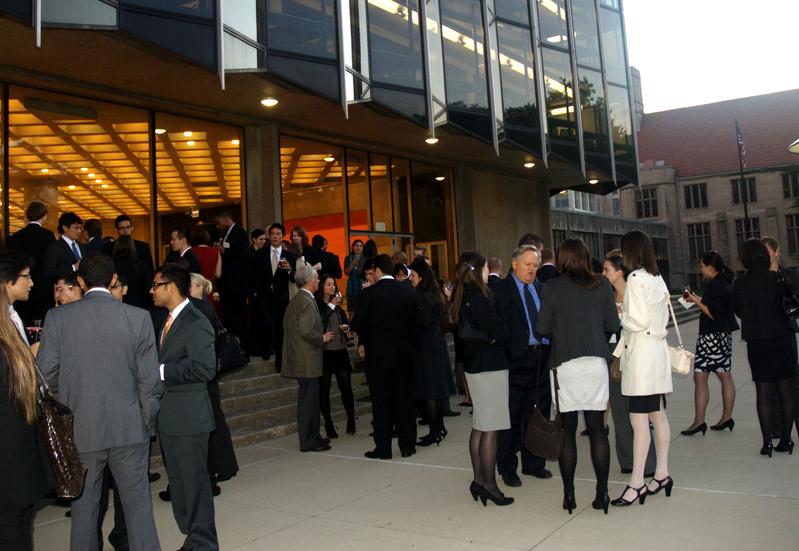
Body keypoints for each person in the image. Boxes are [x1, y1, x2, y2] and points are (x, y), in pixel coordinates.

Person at [38, 252, 163, 551]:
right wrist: (146, 422)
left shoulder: (57, 318)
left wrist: (68, 398)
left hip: (81, 429)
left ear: (80, 281)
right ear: (114, 280)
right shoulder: (138, 317)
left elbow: (45, 376)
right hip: (130, 426)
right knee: (138, 510)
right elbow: (150, 381)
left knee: (84, 511)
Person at [537, 239, 620, 515]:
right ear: (586, 256)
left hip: (565, 365)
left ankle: (569, 494)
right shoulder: (602, 285)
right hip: (595, 362)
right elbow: (612, 325)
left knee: (568, 431)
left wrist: (563, 329)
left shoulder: (551, 287)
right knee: (598, 430)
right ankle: (603, 493)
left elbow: (542, 328)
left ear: (561, 258)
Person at [150, 263, 218, 550]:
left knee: (194, 483)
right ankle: (191, 535)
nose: (151, 290)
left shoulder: (195, 321)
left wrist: (162, 371)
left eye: (156, 285)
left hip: (189, 418)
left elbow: (205, 369)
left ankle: (203, 542)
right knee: (179, 483)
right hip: (170, 418)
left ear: (172, 287)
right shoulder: (167, 320)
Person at [611, 230, 673, 507]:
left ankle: (636, 483)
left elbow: (636, 321)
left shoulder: (636, 278)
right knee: (657, 414)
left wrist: (621, 311)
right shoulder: (656, 277)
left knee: (638, 421)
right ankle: (661, 474)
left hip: (642, 356)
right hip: (656, 353)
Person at [452, 251, 513, 506]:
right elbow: (501, 332)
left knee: (480, 424)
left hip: (476, 369)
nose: (489, 273)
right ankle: (489, 484)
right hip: (489, 369)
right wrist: (499, 334)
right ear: (478, 271)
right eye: (487, 268)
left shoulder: (462, 296)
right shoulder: (478, 299)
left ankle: (479, 481)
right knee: (490, 427)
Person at [0, 251, 51, 550]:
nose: (32, 283)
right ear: (7, 281)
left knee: (21, 525)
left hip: (20, 448)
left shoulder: (12, 317)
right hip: (9, 453)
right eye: (26, 277)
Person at [492, 245, 552, 486]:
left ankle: (534, 463)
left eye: (535, 265)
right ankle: (507, 467)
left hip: (541, 359)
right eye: (527, 264)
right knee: (511, 417)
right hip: (515, 361)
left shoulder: (541, 288)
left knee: (537, 414)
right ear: (514, 263)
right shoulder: (501, 290)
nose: (532, 269)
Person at [351, 254, 419, 460]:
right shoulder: (408, 291)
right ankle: (408, 446)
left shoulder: (369, 293)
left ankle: (384, 447)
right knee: (405, 399)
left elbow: (356, 324)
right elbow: (418, 324)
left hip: (379, 356)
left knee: (381, 401)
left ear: (378, 270)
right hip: (404, 354)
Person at [732, 239, 796, 457]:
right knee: (786, 389)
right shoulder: (777, 278)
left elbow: (739, 311)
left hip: (757, 341)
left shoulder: (740, 284)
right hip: (782, 338)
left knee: (763, 390)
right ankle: (786, 439)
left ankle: (767, 441)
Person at [602, 252, 656, 477]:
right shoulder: (604, 296)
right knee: (620, 413)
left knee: (641, 412)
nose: (603, 274)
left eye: (606, 269)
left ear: (619, 271)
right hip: (613, 358)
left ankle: (649, 464)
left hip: (637, 357)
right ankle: (627, 460)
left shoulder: (637, 295)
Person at [189, 273, 239, 493]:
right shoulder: (205, 307)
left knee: (214, 419)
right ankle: (225, 465)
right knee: (215, 417)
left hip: (208, 370)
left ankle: (223, 465)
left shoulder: (200, 308)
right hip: (211, 369)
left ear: (199, 287)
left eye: (189, 283)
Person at [682, 251, 738, 435]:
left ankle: (699, 421)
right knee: (724, 375)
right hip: (722, 335)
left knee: (701, 378)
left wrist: (696, 302)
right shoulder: (723, 282)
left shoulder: (715, 285)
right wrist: (696, 299)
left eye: (702, 266)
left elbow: (712, 312)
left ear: (710, 267)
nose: (701, 269)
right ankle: (726, 417)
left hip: (711, 338)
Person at [282, 264, 334, 452]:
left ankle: (314, 436)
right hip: (306, 360)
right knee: (308, 403)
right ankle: (308, 441)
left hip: (304, 359)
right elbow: (305, 330)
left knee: (310, 401)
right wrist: (322, 338)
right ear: (310, 281)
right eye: (317, 279)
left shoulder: (299, 299)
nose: (319, 281)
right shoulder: (304, 301)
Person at [408, 257, 450, 446]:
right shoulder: (435, 294)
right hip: (436, 344)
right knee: (437, 390)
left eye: (414, 275)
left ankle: (434, 432)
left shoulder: (422, 296)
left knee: (430, 391)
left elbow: (421, 325)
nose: (411, 278)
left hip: (426, 347)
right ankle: (439, 427)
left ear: (422, 277)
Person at [315, 274, 356, 438]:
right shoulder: (318, 304)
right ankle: (329, 424)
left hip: (340, 351)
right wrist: (331, 305)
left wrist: (347, 330)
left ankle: (351, 420)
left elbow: (345, 323)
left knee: (346, 387)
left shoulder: (338, 305)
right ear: (322, 287)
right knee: (324, 389)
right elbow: (319, 321)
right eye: (328, 284)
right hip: (324, 352)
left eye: (334, 284)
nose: (332, 287)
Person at [250, 222, 296, 369]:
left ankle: (280, 361)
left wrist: (289, 269)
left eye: (278, 234)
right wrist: (256, 293)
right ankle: (266, 349)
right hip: (264, 297)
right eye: (273, 234)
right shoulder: (260, 253)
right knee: (266, 324)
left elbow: (294, 278)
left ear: (282, 236)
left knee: (280, 328)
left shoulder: (289, 255)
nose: (275, 236)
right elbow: (254, 275)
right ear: (269, 236)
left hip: (281, 298)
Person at [6, 202, 56, 326]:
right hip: (43, 288)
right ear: (44, 216)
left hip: (19, 286)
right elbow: (50, 262)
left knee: (21, 322)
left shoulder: (15, 237)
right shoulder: (48, 235)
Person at [216, 211, 250, 345]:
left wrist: (225, 251)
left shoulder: (239, 232)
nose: (218, 226)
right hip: (228, 284)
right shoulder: (226, 234)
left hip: (237, 284)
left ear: (226, 220)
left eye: (219, 222)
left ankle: (241, 346)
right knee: (230, 317)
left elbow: (244, 254)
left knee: (238, 317)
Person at [42, 212, 84, 286]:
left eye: (80, 228)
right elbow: (48, 272)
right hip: (65, 290)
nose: (79, 231)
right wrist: (73, 267)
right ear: (65, 228)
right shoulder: (55, 247)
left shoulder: (81, 246)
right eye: (76, 228)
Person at [111, 235, 152, 309]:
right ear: (132, 246)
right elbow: (147, 290)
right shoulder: (141, 265)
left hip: (116, 305)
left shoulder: (111, 265)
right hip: (138, 306)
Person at [344, 239, 365, 314]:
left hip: (363, 286)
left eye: (360, 246)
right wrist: (352, 264)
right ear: (352, 247)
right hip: (352, 287)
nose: (358, 247)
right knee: (352, 311)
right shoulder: (348, 258)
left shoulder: (365, 258)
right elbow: (346, 273)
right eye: (356, 245)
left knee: (363, 311)